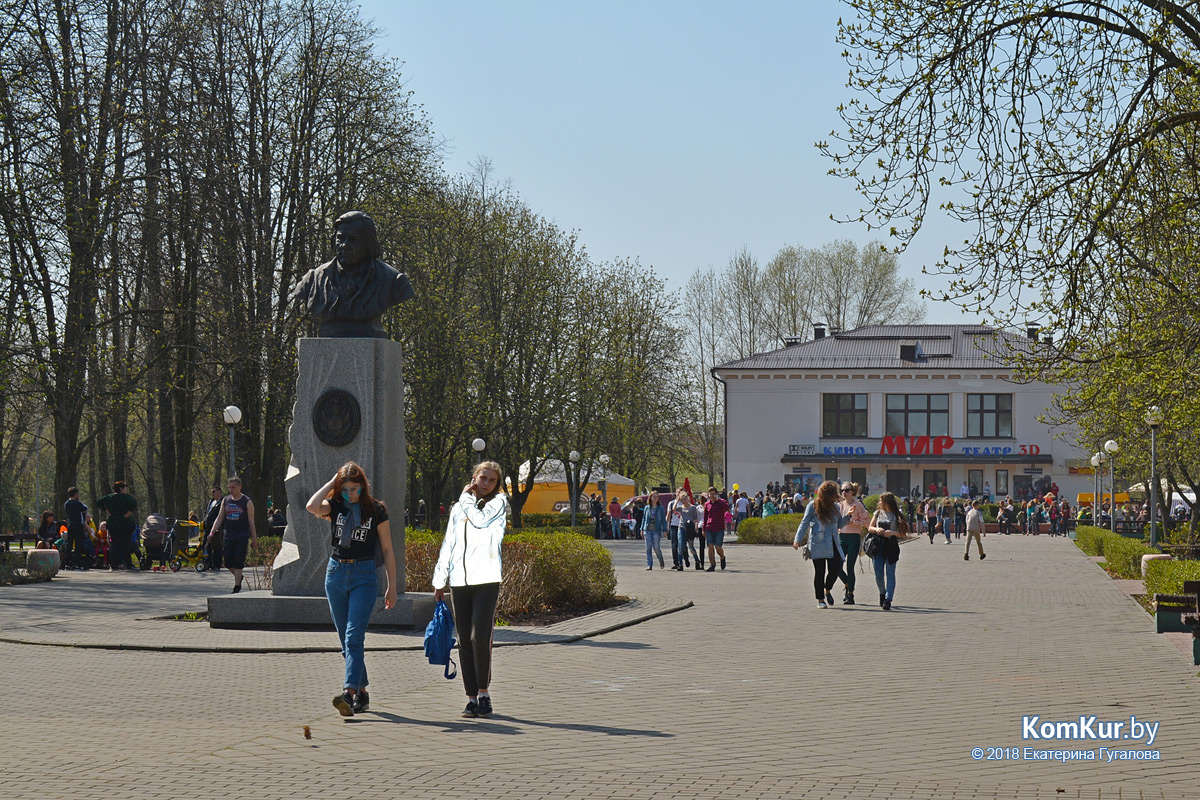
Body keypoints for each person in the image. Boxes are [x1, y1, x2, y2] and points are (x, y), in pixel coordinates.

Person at [305, 462, 398, 716]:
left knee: (354, 636)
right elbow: (312, 506)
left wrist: (392, 587)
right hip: (335, 574)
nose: (349, 494)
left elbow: (388, 550)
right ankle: (363, 692)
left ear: (363, 486)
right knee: (347, 641)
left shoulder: (376, 509)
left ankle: (348, 692)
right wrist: (333, 481)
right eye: (344, 489)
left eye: (354, 489)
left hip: (364, 576)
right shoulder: (335, 506)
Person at [433, 461, 509, 719]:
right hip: (459, 581)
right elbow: (450, 542)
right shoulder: (459, 507)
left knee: (479, 637)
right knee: (464, 639)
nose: (486, 483)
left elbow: (478, 522)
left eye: (491, 480)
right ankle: (471, 699)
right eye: (482, 478)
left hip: (486, 580)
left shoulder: (498, 504)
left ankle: (484, 693)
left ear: (497, 485)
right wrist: (439, 579)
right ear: (474, 477)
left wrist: (464, 499)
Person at [793, 481, 850, 608]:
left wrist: (848, 517)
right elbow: (804, 523)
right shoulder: (812, 506)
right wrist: (798, 539)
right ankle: (820, 600)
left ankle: (827, 589)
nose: (832, 498)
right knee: (820, 572)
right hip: (818, 543)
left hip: (833, 542)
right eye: (830, 495)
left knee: (835, 570)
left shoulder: (835, 507)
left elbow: (839, 525)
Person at [207, 477, 258, 594]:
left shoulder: (247, 501)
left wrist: (254, 539)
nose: (231, 490)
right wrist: (212, 532)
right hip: (228, 535)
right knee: (228, 562)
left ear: (240, 487)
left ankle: (237, 586)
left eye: (233, 487)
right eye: (229, 487)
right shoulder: (226, 500)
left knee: (238, 560)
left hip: (242, 534)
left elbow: (251, 521)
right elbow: (219, 518)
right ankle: (238, 577)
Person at [866, 492, 906, 610]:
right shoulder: (878, 513)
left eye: (881, 500)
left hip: (891, 546)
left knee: (890, 573)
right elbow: (869, 527)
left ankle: (888, 599)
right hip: (878, 545)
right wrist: (876, 529)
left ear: (886, 502)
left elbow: (903, 533)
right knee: (878, 574)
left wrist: (893, 533)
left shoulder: (897, 514)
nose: (879, 502)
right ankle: (882, 593)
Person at [836, 482, 870, 605]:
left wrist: (854, 523)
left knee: (850, 567)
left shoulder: (858, 505)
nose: (844, 492)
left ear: (853, 492)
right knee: (837, 566)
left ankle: (850, 594)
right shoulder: (839, 505)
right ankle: (847, 584)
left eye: (847, 490)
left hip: (854, 538)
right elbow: (836, 521)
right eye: (842, 490)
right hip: (842, 537)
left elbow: (866, 523)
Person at [96, 481, 137, 570]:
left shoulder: (110, 498)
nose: (125, 490)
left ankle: (113, 564)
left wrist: (106, 510)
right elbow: (134, 503)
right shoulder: (127, 498)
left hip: (113, 523)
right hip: (125, 523)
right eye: (125, 488)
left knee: (114, 545)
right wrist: (129, 512)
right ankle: (128, 565)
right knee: (126, 545)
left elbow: (99, 502)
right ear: (121, 488)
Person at [61, 488, 92, 570]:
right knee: (78, 544)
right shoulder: (78, 503)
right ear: (75, 494)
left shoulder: (67, 503)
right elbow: (85, 508)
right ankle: (77, 562)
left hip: (70, 525)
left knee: (69, 544)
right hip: (78, 525)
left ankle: (68, 562)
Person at [703, 487, 729, 571]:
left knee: (718, 547)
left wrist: (719, 500)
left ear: (716, 494)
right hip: (709, 527)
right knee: (710, 546)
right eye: (710, 494)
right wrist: (703, 529)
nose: (712, 496)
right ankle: (712, 565)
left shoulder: (721, 502)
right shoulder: (707, 504)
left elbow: (727, 507)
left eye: (713, 494)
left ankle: (722, 557)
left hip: (719, 527)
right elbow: (705, 517)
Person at [641, 492, 667, 570]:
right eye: (654, 497)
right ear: (650, 498)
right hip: (647, 530)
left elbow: (663, 520)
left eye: (657, 497)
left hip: (656, 530)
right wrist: (642, 529)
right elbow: (644, 519)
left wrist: (665, 530)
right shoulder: (647, 507)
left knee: (656, 548)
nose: (655, 498)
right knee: (648, 548)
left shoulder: (661, 508)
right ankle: (649, 564)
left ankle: (661, 560)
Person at [203, 486, 224, 571]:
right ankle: (208, 562)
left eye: (214, 491)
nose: (213, 493)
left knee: (217, 547)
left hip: (217, 528)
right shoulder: (211, 501)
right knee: (206, 545)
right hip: (208, 527)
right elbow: (207, 513)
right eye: (212, 492)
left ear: (219, 492)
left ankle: (217, 564)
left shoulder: (222, 502)